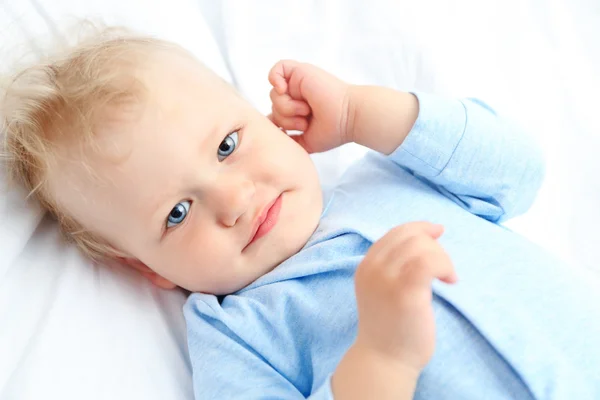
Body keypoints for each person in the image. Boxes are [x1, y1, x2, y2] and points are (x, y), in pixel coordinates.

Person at [2, 30, 599, 399]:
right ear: (147, 269)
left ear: (266, 120)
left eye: (228, 146)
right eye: (177, 213)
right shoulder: (236, 333)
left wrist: (362, 115)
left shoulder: (391, 171)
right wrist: (382, 359)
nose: (233, 201)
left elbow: (519, 175)